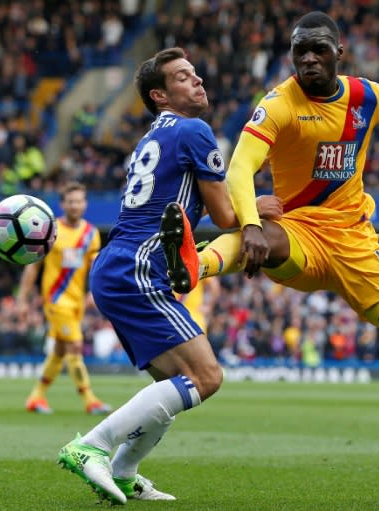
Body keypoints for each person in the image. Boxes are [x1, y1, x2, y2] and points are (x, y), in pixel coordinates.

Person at [161, 12, 379, 506]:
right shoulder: (277, 104)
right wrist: (250, 223)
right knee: (264, 240)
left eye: (318, 49)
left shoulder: (366, 97)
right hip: (298, 235)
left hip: (357, 242)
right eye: (300, 51)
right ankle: (195, 267)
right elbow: (241, 168)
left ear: (339, 51)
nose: (309, 59)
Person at [55, 47, 280, 504]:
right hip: (140, 267)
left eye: (195, 73)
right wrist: (257, 207)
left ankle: (122, 471)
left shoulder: (152, 138)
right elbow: (222, 213)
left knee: (173, 385)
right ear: (160, 95)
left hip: (120, 266)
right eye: (182, 77)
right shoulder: (195, 130)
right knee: (206, 377)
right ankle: (91, 446)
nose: (197, 81)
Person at [19, 182, 111, 416]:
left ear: (85, 203)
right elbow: (33, 267)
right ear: (62, 204)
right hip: (56, 300)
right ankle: (90, 400)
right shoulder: (50, 230)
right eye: (71, 201)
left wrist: (94, 292)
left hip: (77, 301)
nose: (75, 205)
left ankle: (36, 397)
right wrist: (22, 298)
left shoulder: (91, 233)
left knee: (60, 350)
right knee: (75, 346)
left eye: (79, 201)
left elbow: (95, 268)